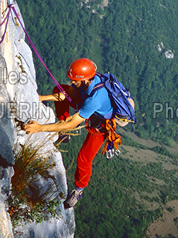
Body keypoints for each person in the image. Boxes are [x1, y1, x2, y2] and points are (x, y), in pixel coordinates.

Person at [23, 58, 113, 208]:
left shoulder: (95, 99)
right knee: (59, 89)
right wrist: (41, 98)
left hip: (101, 126)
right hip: (87, 106)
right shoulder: (85, 81)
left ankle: (79, 190)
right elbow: (66, 94)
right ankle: (64, 133)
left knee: (84, 158)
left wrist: (40, 128)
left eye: (75, 80)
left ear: (85, 80)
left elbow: (72, 123)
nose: (72, 82)